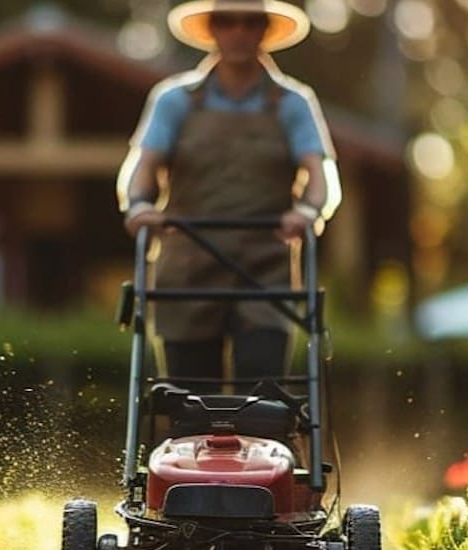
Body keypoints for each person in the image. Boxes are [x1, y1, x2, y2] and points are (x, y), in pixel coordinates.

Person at [117, 0, 340, 392]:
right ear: (213, 30)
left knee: (263, 401)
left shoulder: (293, 102)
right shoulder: (175, 100)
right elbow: (142, 169)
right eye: (227, 21)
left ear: (264, 31)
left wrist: (307, 211)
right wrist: (139, 206)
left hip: (264, 271)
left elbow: (320, 176)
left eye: (250, 22)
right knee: (190, 399)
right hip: (187, 272)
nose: (239, 30)